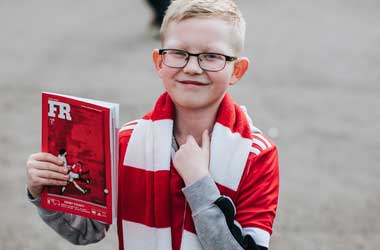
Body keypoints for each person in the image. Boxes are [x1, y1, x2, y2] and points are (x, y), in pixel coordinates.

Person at [26, 0, 279, 249]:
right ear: (159, 62)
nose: (191, 68)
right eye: (179, 53)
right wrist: (45, 192)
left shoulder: (256, 154)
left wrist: (200, 183)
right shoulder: (125, 142)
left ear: (237, 70)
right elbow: (85, 232)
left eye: (211, 56)